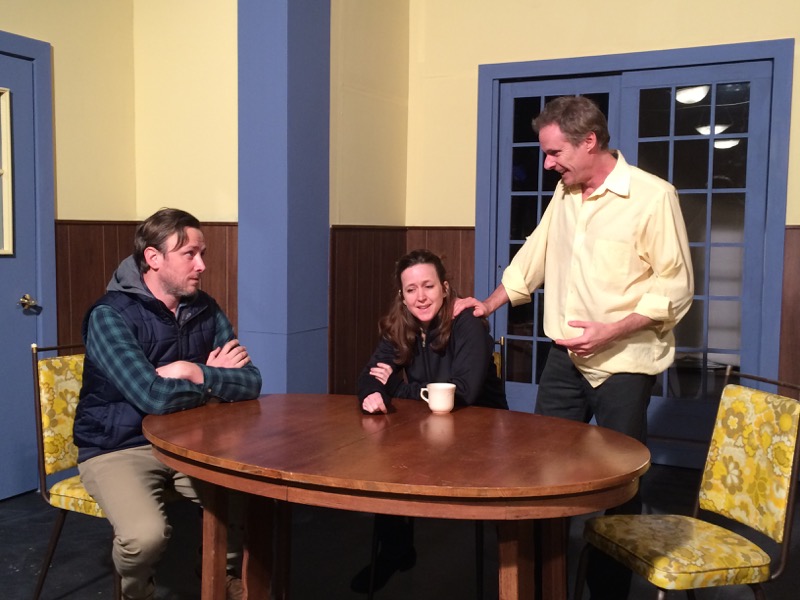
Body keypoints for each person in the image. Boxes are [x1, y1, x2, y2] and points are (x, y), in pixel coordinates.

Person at [455, 95, 694, 599]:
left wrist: (610, 330)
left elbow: (674, 287)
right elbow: (534, 256)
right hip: (565, 356)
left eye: (554, 152)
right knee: (541, 467)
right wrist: (489, 304)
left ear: (590, 142)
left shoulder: (653, 197)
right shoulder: (565, 193)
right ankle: (542, 579)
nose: (547, 164)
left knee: (619, 481)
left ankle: (607, 592)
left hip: (626, 361)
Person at [73, 208, 263, 600]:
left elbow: (251, 381)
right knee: (145, 537)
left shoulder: (204, 308)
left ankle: (220, 575)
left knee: (242, 494)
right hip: (118, 446)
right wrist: (212, 378)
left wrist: (191, 372)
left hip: (190, 440)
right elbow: (151, 396)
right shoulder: (109, 316)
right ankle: (135, 592)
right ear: (154, 259)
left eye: (202, 253)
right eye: (190, 254)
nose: (202, 265)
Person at [352, 249, 507, 593]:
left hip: (481, 432)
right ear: (402, 296)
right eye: (411, 290)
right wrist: (371, 393)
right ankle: (395, 552)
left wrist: (395, 387)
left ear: (445, 288)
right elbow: (369, 374)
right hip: (429, 426)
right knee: (389, 460)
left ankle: (514, 573)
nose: (421, 297)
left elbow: (461, 393)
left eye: (428, 286)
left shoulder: (468, 324)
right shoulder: (402, 324)